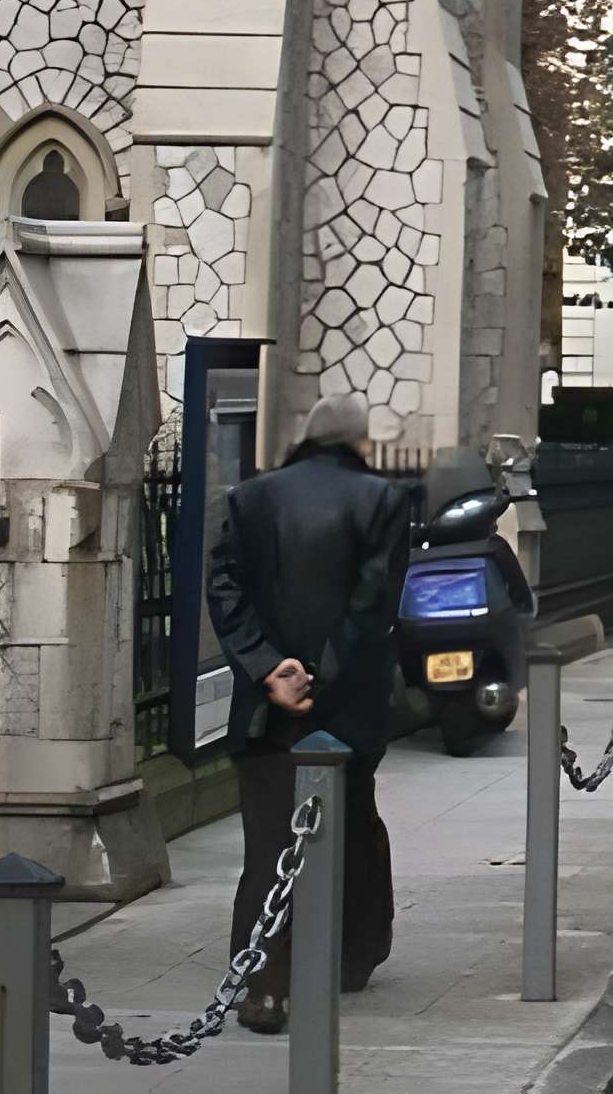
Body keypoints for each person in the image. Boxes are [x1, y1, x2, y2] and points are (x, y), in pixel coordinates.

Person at [205, 391, 416, 1034]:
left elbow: (225, 588)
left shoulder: (250, 497)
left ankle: (263, 986)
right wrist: (320, 675)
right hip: (347, 703)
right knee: (353, 822)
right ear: (360, 441)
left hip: (266, 705)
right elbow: (372, 603)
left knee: (269, 839)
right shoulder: (383, 499)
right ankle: (355, 954)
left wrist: (270, 668)